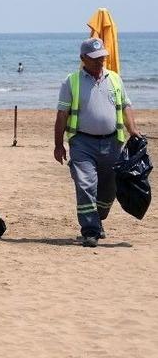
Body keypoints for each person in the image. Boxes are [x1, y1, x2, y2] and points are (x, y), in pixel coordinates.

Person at [54, 38, 141, 247]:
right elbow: (61, 115)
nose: (100, 61)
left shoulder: (115, 79)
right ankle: (90, 230)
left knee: (109, 190)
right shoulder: (71, 81)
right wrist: (58, 144)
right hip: (82, 143)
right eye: (94, 58)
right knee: (85, 186)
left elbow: (125, 106)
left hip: (113, 143)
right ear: (83, 58)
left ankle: (98, 219)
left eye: (102, 57)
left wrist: (133, 130)